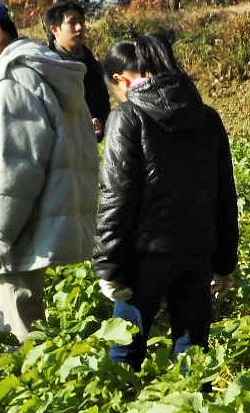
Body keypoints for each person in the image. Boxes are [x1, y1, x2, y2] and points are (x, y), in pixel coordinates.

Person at [0, 0, 98, 342]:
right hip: (45, 212)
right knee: (28, 312)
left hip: (21, 223)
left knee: (15, 322)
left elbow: (15, 165)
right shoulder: (46, 69)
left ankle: (39, 383)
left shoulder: (14, 79)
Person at [94, 33, 239, 370]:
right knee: (193, 353)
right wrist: (224, 261)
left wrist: (109, 266)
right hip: (197, 252)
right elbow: (224, 194)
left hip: (143, 258)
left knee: (124, 354)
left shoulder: (127, 117)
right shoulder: (207, 116)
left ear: (122, 80)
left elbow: (116, 197)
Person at [45, 1, 109, 141]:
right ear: (55, 29)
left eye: (81, 22)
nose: (79, 27)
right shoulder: (46, 66)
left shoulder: (92, 65)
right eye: (72, 23)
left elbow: (103, 106)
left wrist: (100, 127)